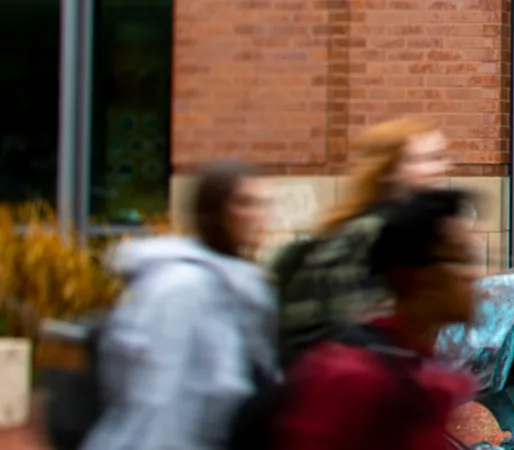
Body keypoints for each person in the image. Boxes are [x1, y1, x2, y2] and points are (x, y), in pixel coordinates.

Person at [82, 161, 275, 450]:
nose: (259, 216)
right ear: (215, 212)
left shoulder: (239, 287)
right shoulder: (183, 289)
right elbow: (159, 401)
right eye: (244, 203)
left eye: (263, 204)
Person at [273, 188, 480, 450]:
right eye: (460, 259)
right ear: (415, 275)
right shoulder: (352, 382)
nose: (472, 274)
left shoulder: (423, 375)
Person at [274, 117, 453, 364]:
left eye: (442, 157)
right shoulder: (369, 233)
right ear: (388, 170)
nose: (443, 167)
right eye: (429, 159)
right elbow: (352, 330)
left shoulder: (407, 230)